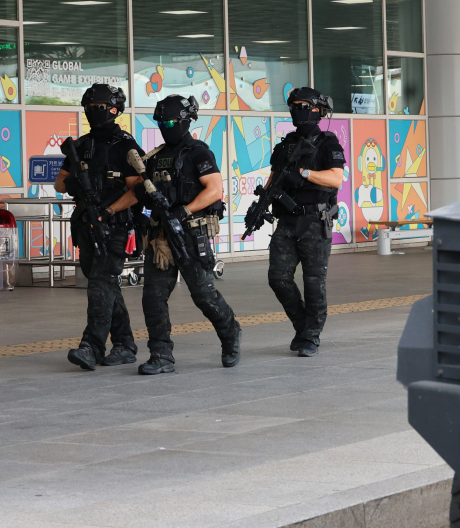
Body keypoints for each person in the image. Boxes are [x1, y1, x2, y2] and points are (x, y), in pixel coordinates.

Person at [137, 95, 241, 374]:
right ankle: (161, 355)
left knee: (203, 295)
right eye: (161, 122)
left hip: (191, 234)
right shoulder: (155, 158)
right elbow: (144, 195)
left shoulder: (199, 152)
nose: (165, 126)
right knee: (153, 297)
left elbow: (214, 190)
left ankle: (231, 334)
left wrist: (183, 212)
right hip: (161, 239)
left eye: (170, 122)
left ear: (185, 122)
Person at [56, 84, 143, 371]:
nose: (94, 113)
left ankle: (91, 346)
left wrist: (109, 210)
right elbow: (60, 182)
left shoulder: (125, 145)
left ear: (115, 110)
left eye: (100, 108)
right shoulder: (81, 145)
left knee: (99, 286)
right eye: (89, 108)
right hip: (86, 227)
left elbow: (138, 190)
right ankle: (125, 344)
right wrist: (74, 183)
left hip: (114, 228)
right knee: (105, 285)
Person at [266, 87, 345, 357]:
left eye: (304, 105)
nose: (298, 109)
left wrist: (305, 172)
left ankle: (311, 335)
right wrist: (264, 199)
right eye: (294, 105)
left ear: (318, 111)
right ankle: (303, 326)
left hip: (315, 218)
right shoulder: (284, 144)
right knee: (277, 277)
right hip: (287, 221)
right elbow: (273, 178)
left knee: (313, 282)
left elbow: (336, 179)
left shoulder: (328, 143)